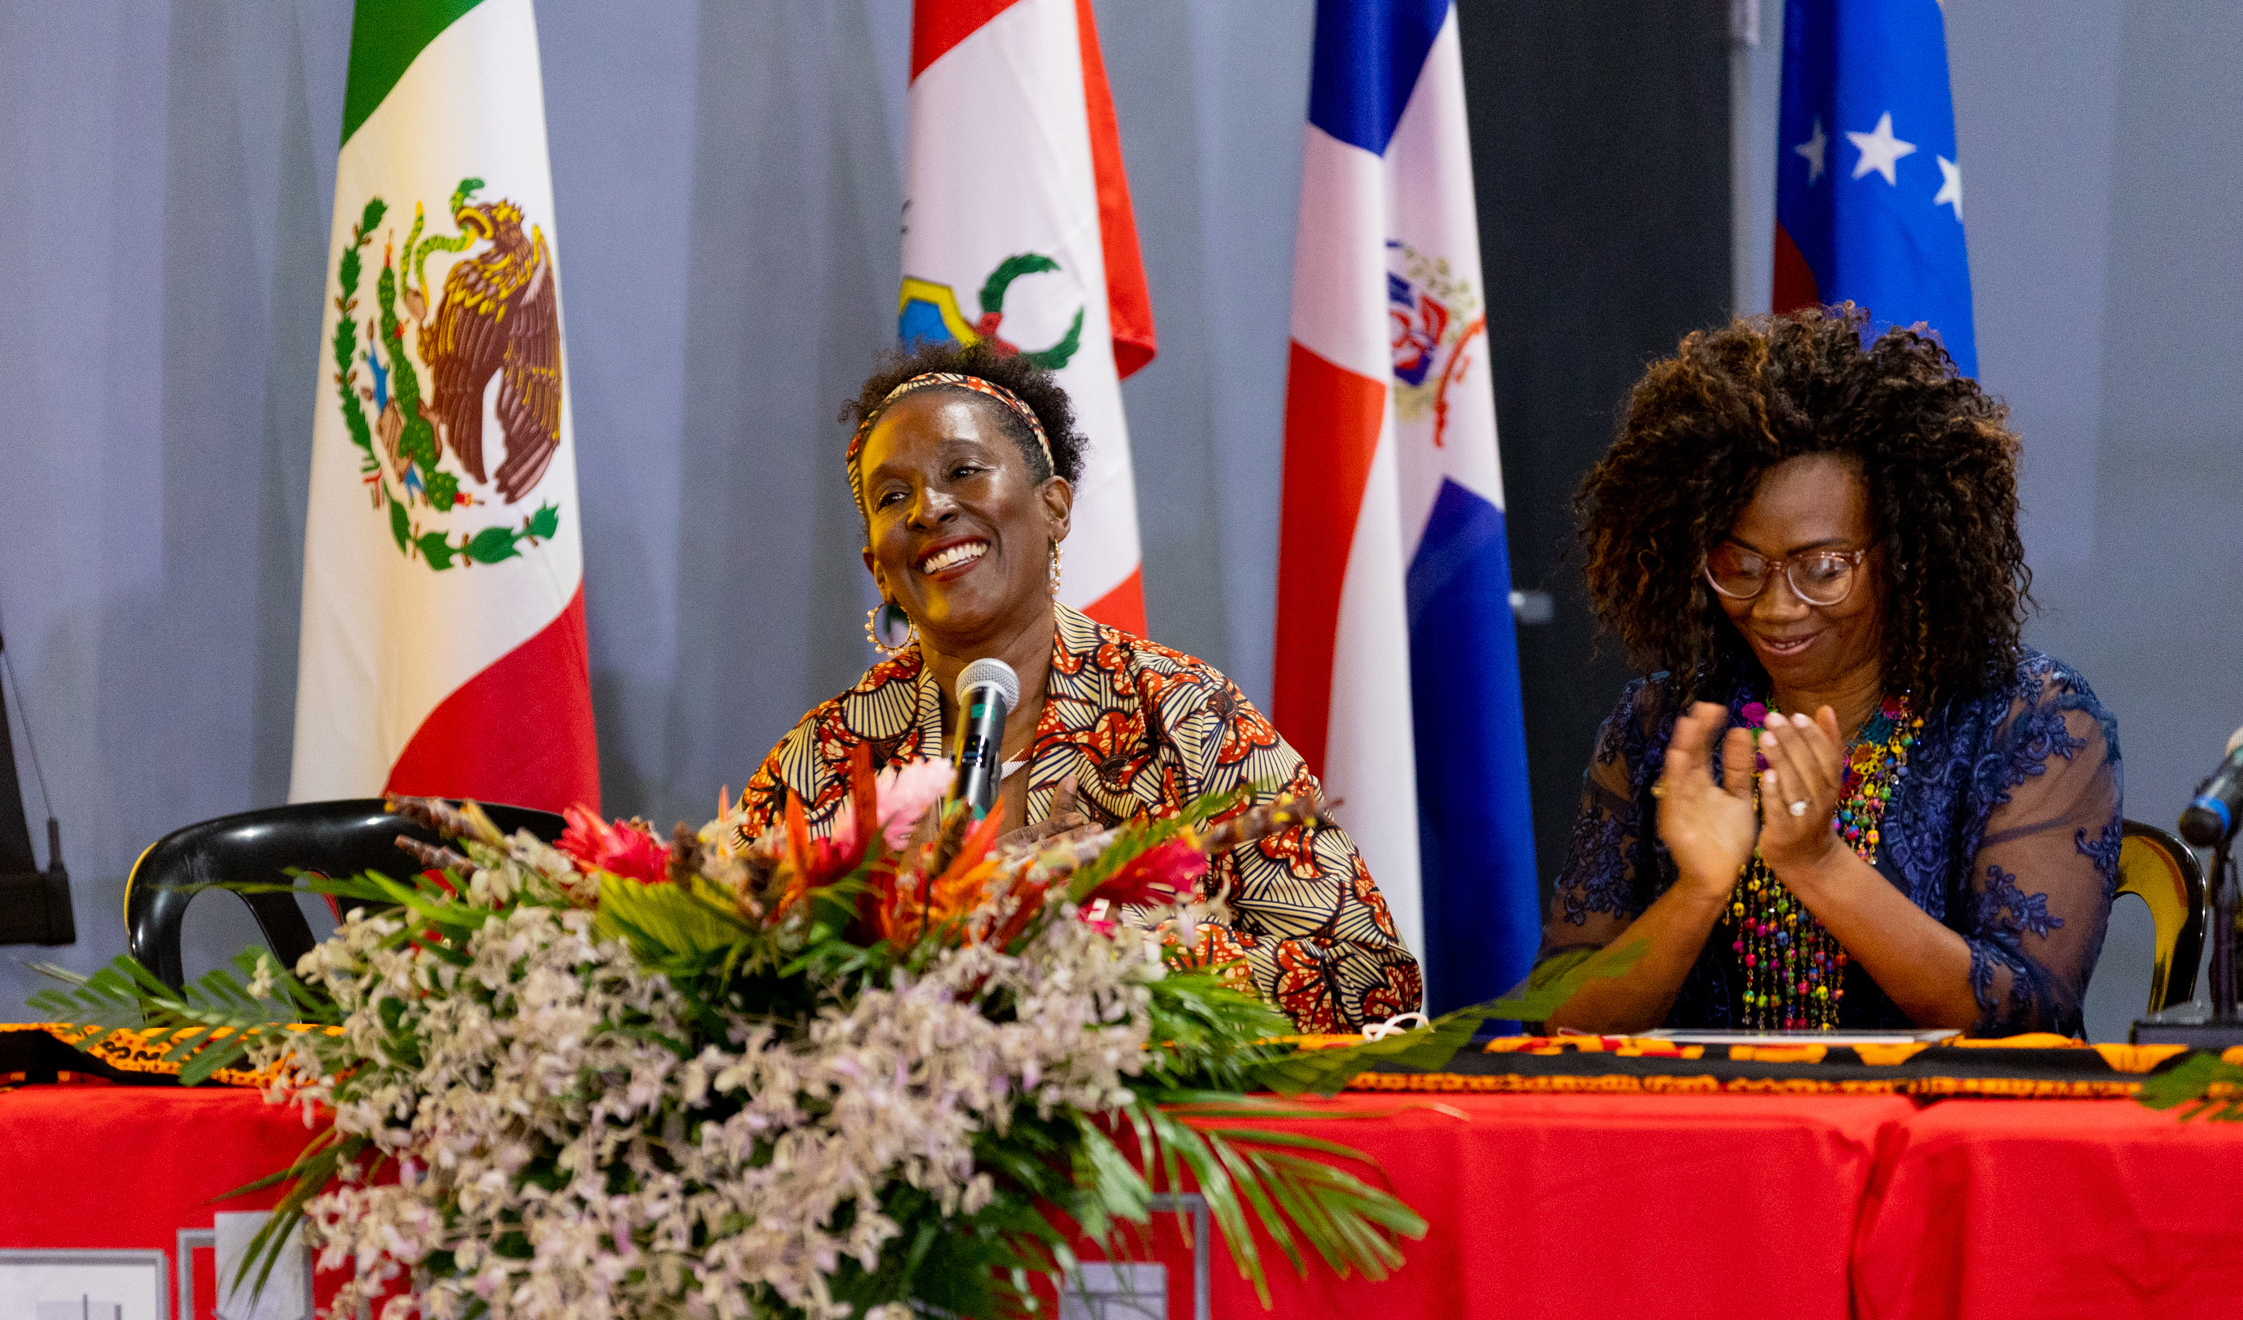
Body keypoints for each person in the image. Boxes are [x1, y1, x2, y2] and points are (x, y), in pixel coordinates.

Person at [739, 339, 1422, 1033]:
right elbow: (717, 988)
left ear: (1055, 508)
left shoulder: (1184, 714)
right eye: (893, 497)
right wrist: (890, 921)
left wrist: (1093, 939)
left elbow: (1371, 980)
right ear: (878, 569)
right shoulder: (827, 760)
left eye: (963, 471)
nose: (928, 508)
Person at [1538, 307, 2122, 1036]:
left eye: (1821, 568)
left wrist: (1820, 866)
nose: (1775, 606)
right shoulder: (1662, 728)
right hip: (1703, 1113)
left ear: (1903, 554)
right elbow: (1558, 1022)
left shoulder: (2029, 724)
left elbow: (2029, 1017)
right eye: (1739, 564)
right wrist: (1696, 893)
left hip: (1934, 1113)